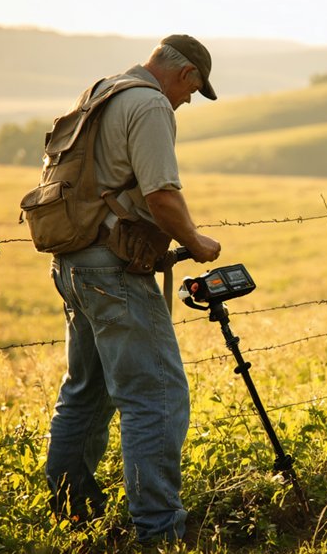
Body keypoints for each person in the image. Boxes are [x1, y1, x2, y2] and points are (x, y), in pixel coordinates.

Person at [44, 34, 222, 545]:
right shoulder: (149, 105)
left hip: (74, 259)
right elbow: (161, 194)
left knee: (86, 393)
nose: (186, 101)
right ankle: (159, 533)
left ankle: (70, 515)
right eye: (193, 92)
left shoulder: (102, 91)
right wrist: (195, 240)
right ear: (186, 74)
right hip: (115, 269)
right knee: (155, 397)